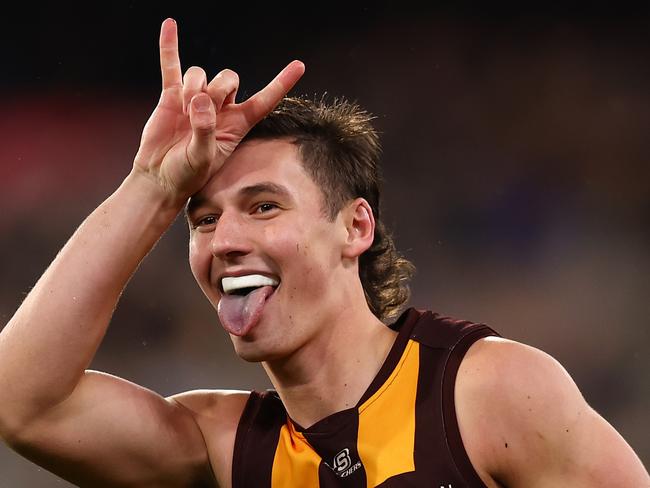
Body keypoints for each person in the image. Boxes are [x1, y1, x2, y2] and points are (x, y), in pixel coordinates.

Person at [0, 17, 647, 488]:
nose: (225, 241)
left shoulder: (489, 394)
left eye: (263, 206)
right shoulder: (223, 448)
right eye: (201, 220)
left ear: (355, 228)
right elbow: (20, 403)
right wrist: (152, 187)